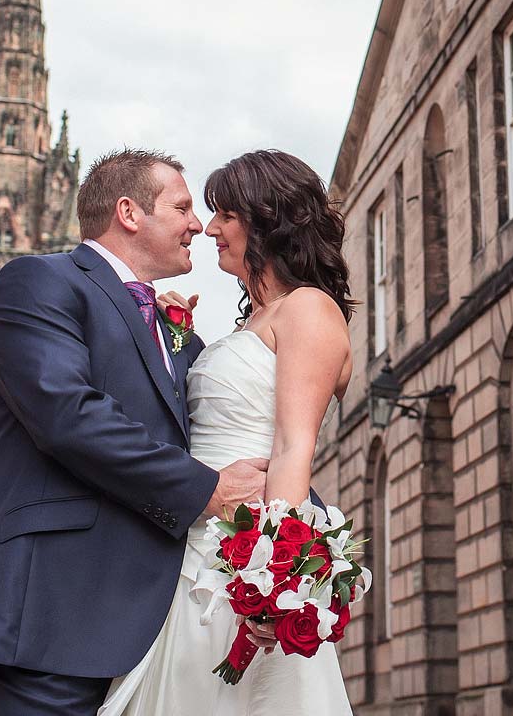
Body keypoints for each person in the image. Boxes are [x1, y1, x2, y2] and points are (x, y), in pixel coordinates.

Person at [0, 149, 270, 716]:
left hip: (157, 630)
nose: (198, 224)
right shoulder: (38, 282)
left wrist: (295, 546)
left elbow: (220, 428)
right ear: (128, 212)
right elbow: (68, 415)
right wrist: (208, 490)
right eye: (183, 207)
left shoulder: (175, 331)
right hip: (50, 615)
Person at [101, 148, 356, 716]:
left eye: (225, 215)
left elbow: (293, 447)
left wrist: (272, 578)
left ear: (266, 218)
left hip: (238, 561)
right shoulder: (251, 323)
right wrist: (176, 338)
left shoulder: (309, 309)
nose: (209, 229)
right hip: (189, 549)